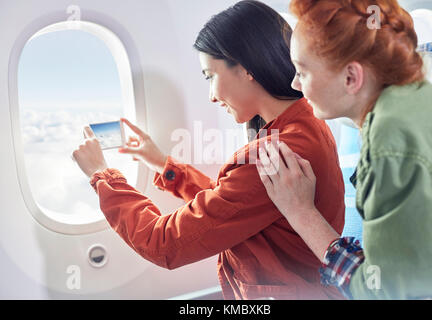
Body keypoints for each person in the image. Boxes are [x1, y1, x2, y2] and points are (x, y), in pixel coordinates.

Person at [72, 0, 345, 300]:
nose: (212, 97)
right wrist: (164, 165)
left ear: (245, 69)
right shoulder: (306, 124)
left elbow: (163, 244)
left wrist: (102, 176)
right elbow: (234, 204)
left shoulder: (273, 154)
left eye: (210, 76)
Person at [256, 0, 432, 300]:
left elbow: (383, 292)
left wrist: (301, 212)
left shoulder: (391, 138)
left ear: (351, 78)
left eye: (302, 71)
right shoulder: (421, 98)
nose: (295, 84)